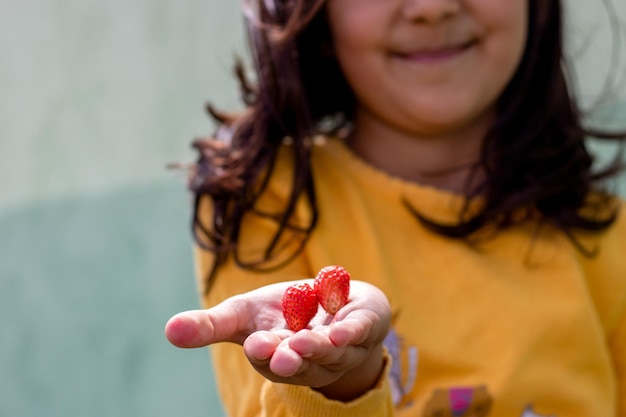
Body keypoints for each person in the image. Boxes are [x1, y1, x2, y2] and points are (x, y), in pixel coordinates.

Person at [165, 0, 626, 416]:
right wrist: (341, 382)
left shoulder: (608, 237)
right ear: (315, 13)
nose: (433, 8)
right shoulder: (265, 202)